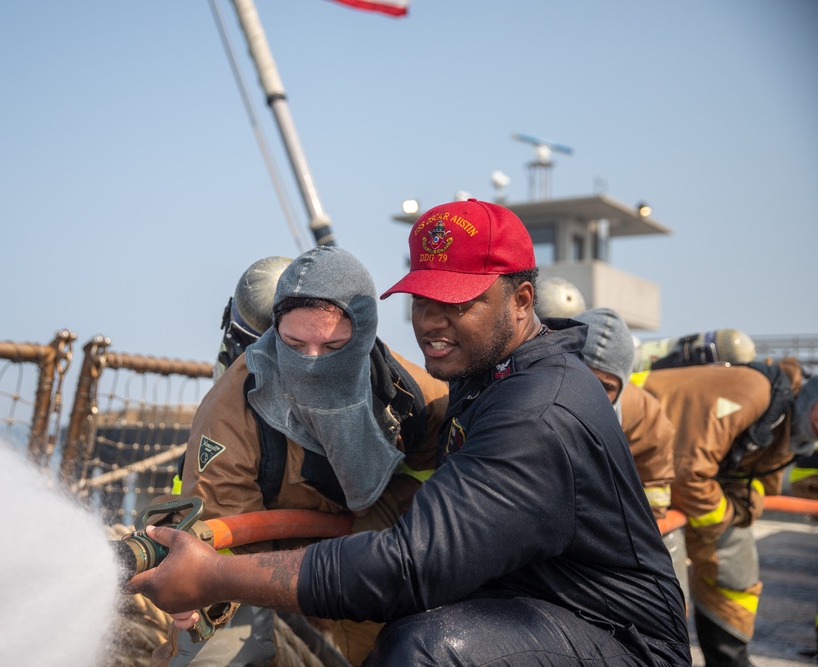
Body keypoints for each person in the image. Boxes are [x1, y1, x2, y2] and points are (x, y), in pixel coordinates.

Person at [131, 199, 691, 665]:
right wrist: (204, 590)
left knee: (423, 650)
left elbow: (406, 565)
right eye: (424, 298)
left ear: (522, 299)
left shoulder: (528, 411)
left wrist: (216, 577)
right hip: (539, 603)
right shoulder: (483, 379)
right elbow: (215, 512)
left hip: (619, 639)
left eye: (458, 301)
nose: (430, 320)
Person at [151, 245, 449, 666]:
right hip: (251, 556)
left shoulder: (417, 400)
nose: (310, 364)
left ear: (363, 336)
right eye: (293, 343)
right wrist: (198, 588)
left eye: (332, 348)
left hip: (366, 553)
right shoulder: (232, 411)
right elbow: (220, 540)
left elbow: (435, 484)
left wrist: (370, 550)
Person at [634, 357, 818, 666]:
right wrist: (724, 516)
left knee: (735, 563)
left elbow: (759, 485)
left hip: (678, 476)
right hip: (633, 453)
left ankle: (730, 657)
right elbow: (688, 474)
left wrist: (739, 510)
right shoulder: (755, 391)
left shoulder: (785, 420)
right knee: (665, 575)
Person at [571, 307, 686, 609]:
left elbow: (655, 494)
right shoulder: (518, 394)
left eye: (606, 387)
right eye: (581, 375)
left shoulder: (646, 417)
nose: (591, 394)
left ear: (622, 387)